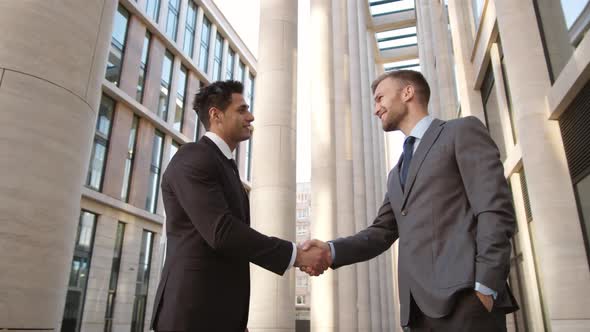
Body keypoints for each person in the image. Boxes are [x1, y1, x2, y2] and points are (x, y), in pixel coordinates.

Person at [302, 70, 519, 331]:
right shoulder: (396, 173)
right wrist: (329, 250)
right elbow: (381, 232)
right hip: (417, 313)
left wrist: (486, 284)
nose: (376, 109)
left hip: (467, 302)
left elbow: (494, 209)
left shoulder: (460, 131)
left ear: (407, 93)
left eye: (380, 98)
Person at [150, 80, 330, 332]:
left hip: (219, 316)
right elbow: (222, 232)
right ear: (216, 115)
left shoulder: (224, 165)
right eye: (242, 109)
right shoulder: (193, 157)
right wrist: (297, 255)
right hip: (192, 315)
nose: (251, 116)